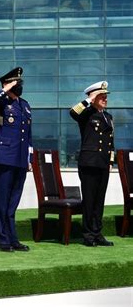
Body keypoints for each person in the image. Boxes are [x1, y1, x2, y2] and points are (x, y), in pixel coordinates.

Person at [0, 67, 32, 252]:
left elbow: (29, 135)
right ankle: (2, 239)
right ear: (7, 84)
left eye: (20, 83)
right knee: (3, 201)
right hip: (5, 157)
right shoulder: (0, 103)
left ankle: (13, 238)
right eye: (16, 83)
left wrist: (29, 158)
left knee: (13, 202)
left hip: (20, 158)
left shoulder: (25, 105)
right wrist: (4, 89)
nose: (19, 86)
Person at [70, 81, 114, 247]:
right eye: (101, 96)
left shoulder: (108, 117)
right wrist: (89, 99)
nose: (105, 99)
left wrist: (110, 161)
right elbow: (73, 112)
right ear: (93, 97)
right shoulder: (86, 114)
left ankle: (97, 233)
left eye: (105, 96)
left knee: (99, 200)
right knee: (89, 199)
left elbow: (111, 141)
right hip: (89, 162)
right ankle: (88, 234)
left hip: (103, 163)